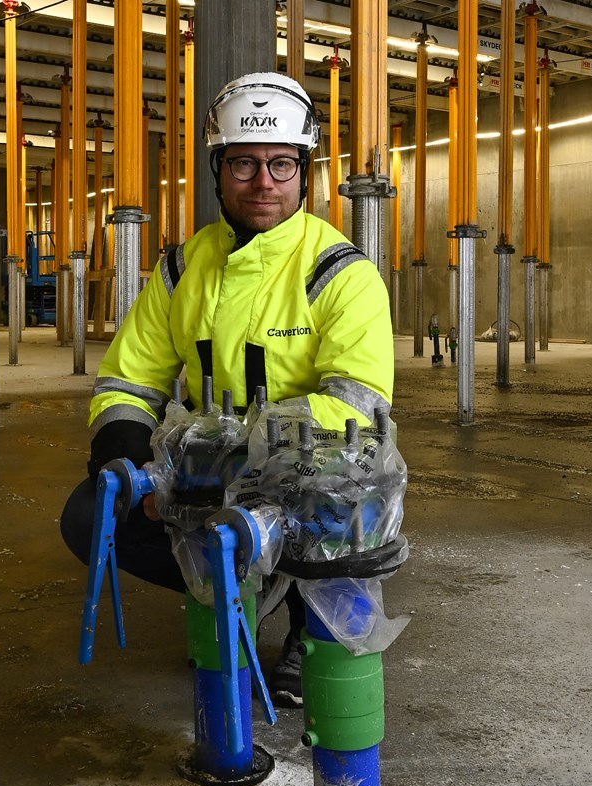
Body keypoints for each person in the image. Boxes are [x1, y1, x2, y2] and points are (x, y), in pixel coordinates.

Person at [60, 72, 394, 708]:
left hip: (309, 478)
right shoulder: (182, 268)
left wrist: (224, 465)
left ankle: (304, 617)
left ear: (304, 171)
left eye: (280, 164)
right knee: (90, 515)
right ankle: (226, 592)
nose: (263, 181)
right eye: (243, 162)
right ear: (218, 169)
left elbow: (356, 412)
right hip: (207, 473)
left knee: (335, 496)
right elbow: (128, 378)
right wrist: (130, 465)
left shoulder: (341, 274)